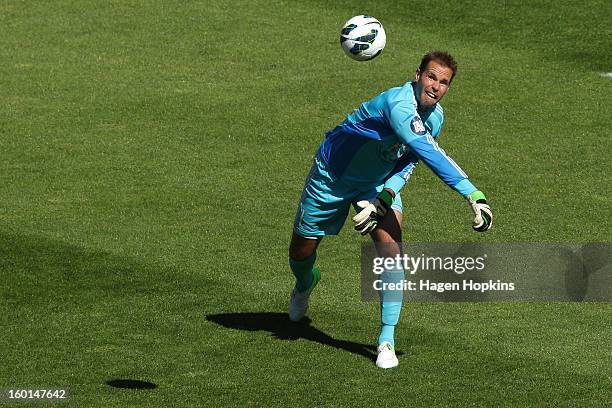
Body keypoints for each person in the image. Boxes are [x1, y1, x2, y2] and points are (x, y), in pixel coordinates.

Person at [287, 51, 493, 369]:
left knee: (391, 250)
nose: (436, 86)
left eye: (444, 82)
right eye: (431, 77)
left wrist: (385, 197)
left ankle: (386, 340)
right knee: (301, 252)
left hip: (378, 182)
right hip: (332, 176)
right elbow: (428, 152)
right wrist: (472, 193)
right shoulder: (398, 105)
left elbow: (408, 160)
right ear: (417, 75)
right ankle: (305, 284)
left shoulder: (435, 118)